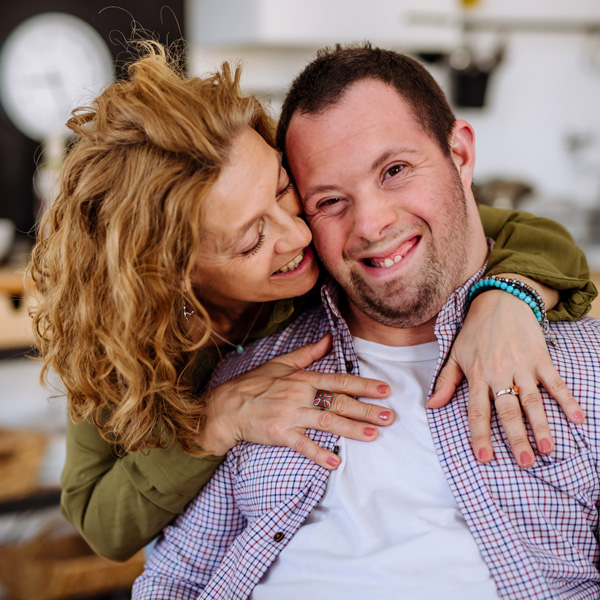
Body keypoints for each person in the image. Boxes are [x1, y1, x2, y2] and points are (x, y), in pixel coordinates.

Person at [27, 42, 594, 563]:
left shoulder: (328, 237)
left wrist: (509, 296)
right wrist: (212, 423)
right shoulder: (122, 338)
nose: (297, 237)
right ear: (173, 275)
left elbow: (518, 231)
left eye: (281, 188)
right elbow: (100, 524)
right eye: (251, 239)